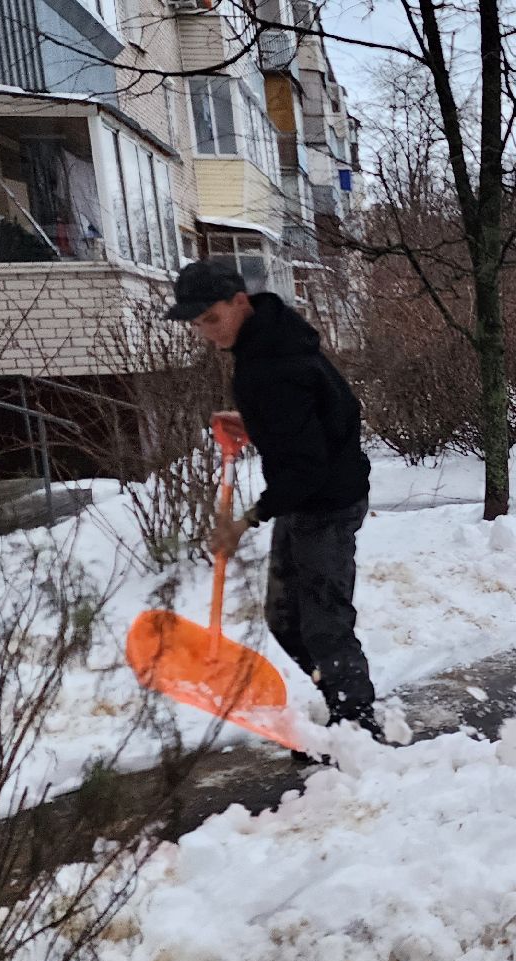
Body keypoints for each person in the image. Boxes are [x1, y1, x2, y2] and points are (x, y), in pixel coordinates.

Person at [168, 260, 382, 749]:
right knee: (285, 619)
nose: (205, 332)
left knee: (325, 622)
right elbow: (325, 411)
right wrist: (259, 424)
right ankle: (341, 703)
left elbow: (305, 463)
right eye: (197, 324)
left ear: (240, 302)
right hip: (309, 499)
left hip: (324, 503)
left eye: (211, 319)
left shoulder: (274, 362)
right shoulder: (268, 341)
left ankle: (358, 728)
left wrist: (244, 521)